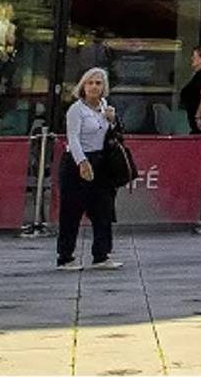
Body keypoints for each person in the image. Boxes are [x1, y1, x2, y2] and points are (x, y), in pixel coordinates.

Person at [56, 69, 120, 271]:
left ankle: (101, 254)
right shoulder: (76, 110)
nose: (94, 86)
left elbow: (112, 134)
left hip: (101, 160)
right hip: (78, 160)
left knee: (103, 210)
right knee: (72, 211)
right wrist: (82, 163)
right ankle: (65, 256)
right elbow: (72, 138)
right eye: (90, 83)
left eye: (98, 83)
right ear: (83, 86)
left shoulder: (104, 107)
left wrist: (113, 120)